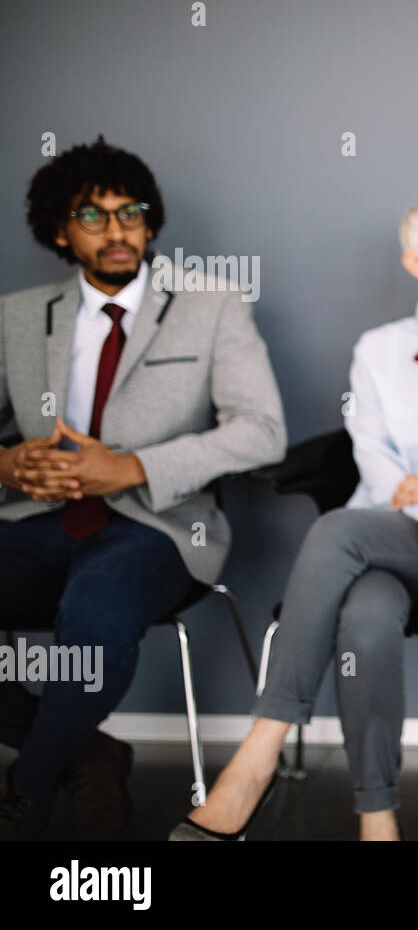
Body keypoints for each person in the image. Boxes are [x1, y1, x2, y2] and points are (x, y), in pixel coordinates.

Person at [170, 189, 418, 841]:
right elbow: (374, 460)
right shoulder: (378, 350)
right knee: (365, 612)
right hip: (387, 544)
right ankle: (377, 819)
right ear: (416, 261)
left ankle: (256, 757)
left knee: (337, 529)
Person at [0, 136, 286, 839]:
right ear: (59, 232)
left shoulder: (210, 303)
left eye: (130, 212)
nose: (118, 229)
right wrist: (6, 466)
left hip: (157, 529)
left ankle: (28, 787)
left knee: (98, 603)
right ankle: (83, 750)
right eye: (91, 216)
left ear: (150, 222)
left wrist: (131, 468)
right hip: (35, 521)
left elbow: (261, 432)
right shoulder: (16, 315)